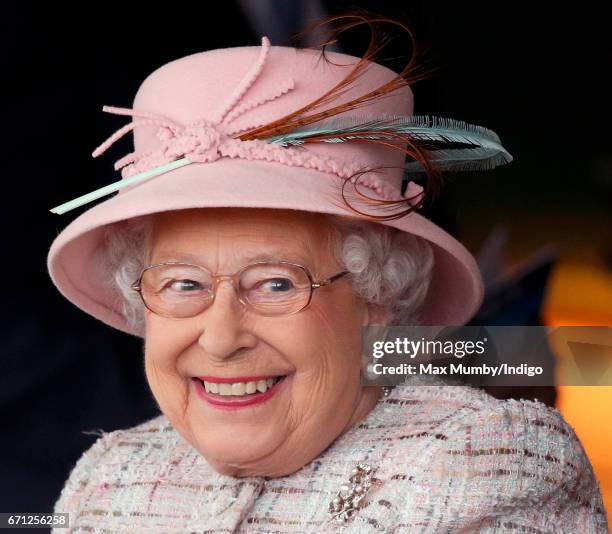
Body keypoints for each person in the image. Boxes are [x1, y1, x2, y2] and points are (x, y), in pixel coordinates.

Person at [46, 13, 607, 533]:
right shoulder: (110, 475)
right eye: (183, 284)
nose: (219, 339)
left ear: (375, 295)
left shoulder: (476, 461)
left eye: (275, 284)